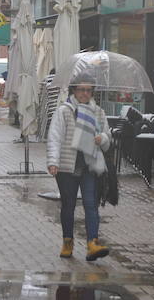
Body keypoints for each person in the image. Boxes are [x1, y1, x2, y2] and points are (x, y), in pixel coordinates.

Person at [46, 79, 111, 261]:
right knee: (69, 205)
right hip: (67, 166)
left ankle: (93, 243)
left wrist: (102, 139)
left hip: (90, 165)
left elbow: (108, 135)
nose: (85, 94)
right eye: (81, 90)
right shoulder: (64, 111)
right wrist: (53, 161)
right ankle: (68, 242)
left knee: (91, 204)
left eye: (89, 90)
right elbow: (55, 137)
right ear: (74, 91)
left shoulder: (98, 112)